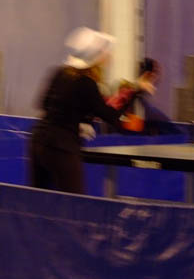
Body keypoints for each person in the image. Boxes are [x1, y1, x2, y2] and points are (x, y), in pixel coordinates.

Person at [29, 27, 149, 194]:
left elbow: (44, 104)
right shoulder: (86, 83)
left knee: (38, 200)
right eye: (106, 52)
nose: (109, 55)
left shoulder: (60, 73)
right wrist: (136, 92)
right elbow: (111, 116)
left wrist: (78, 120)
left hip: (37, 142)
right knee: (74, 201)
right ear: (96, 56)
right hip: (61, 147)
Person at [106, 57, 181, 136]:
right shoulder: (134, 99)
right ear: (149, 75)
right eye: (154, 75)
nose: (155, 83)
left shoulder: (135, 99)